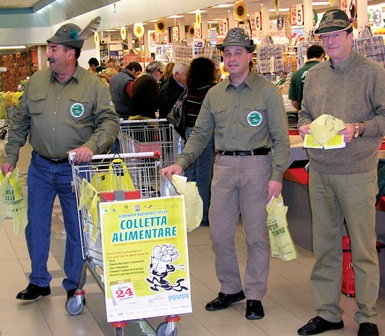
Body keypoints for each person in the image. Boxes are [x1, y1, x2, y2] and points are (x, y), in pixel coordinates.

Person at [161, 28, 290, 320]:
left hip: (258, 167)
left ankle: (255, 294)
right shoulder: (215, 94)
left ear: (249, 56)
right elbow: (200, 135)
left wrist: (277, 174)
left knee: (256, 235)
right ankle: (231, 288)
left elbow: (281, 139)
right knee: (219, 235)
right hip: (224, 167)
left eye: (238, 53)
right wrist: (181, 163)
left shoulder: (267, 91)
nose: (231, 59)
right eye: (227, 53)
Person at [2, 21, 119, 302]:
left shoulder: (93, 86)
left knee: (76, 227)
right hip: (40, 167)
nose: (49, 54)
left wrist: (92, 146)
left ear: (71, 53)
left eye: (54, 49)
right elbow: (20, 121)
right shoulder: (37, 81)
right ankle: (39, 280)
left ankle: (73, 284)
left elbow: (110, 122)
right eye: (50, 49)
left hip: (76, 169)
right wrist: (10, 156)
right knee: (36, 225)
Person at [297, 9, 385, 336]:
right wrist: (305, 125)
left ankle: (367, 317)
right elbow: (305, 112)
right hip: (320, 171)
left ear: (351, 36)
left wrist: (360, 128)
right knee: (325, 247)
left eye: (337, 35)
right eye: (325, 36)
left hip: (358, 172)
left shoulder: (373, 73)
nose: (331, 41)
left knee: (363, 248)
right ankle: (328, 313)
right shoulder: (315, 76)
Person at [183, 57, 217, 227]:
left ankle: (190, 213)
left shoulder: (190, 88)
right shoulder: (211, 90)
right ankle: (202, 216)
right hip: (204, 134)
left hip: (189, 131)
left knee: (191, 174)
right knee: (204, 175)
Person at [109, 62, 143, 153]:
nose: (137, 77)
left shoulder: (113, 78)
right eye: (137, 74)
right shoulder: (128, 82)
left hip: (114, 113)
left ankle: (116, 162)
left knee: (116, 142)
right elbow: (134, 98)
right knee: (127, 143)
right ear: (133, 70)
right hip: (126, 115)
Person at [289, 45, 324, 111]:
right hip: (322, 117)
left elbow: (294, 102)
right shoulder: (326, 71)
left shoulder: (296, 74)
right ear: (322, 55)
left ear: (307, 56)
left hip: (303, 118)